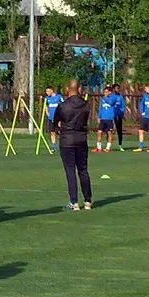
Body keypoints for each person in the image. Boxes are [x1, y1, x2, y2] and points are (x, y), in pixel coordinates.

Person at [55, 80, 93, 210]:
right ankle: (88, 201)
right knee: (83, 170)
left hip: (67, 140)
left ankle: (74, 202)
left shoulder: (62, 106)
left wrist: (61, 126)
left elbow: (56, 123)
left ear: (67, 89)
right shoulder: (86, 105)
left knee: (70, 171)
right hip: (81, 139)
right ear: (79, 88)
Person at [95, 86, 116, 153]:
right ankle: (99, 148)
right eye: (104, 92)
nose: (105, 93)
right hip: (103, 119)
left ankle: (107, 148)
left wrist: (105, 97)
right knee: (99, 132)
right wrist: (99, 117)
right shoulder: (103, 99)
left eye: (106, 92)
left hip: (109, 119)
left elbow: (111, 102)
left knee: (109, 133)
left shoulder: (113, 98)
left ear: (110, 92)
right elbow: (100, 108)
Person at [44, 86, 63, 151]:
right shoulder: (47, 98)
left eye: (48, 91)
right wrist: (47, 112)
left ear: (51, 90)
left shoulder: (59, 97)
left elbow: (63, 104)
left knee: (60, 132)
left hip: (58, 118)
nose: (46, 93)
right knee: (52, 132)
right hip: (51, 118)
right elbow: (46, 105)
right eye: (46, 91)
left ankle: (62, 145)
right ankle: (54, 146)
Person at [111, 84, 126, 151]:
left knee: (119, 131)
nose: (118, 89)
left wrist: (122, 113)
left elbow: (123, 106)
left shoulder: (120, 97)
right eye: (117, 88)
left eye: (118, 88)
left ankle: (120, 145)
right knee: (110, 131)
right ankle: (108, 145)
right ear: (113, 89)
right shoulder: (111, 96)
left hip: (118, 116)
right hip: (111, 116)